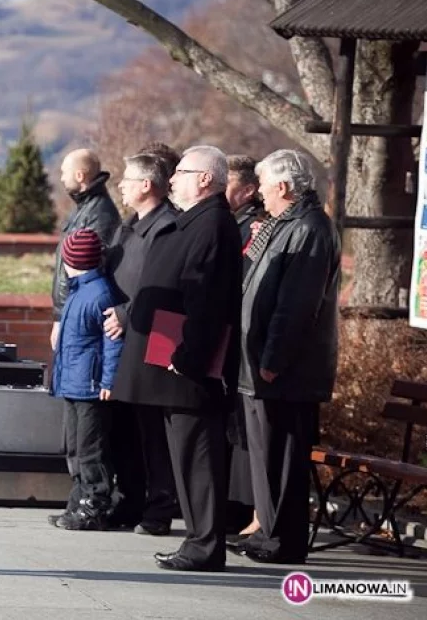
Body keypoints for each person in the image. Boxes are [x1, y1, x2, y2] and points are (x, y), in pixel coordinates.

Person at [113, 145, 242, 572]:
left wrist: (188, 355)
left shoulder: (213, 224)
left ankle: (204, 545)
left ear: (205, 179)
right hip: (174, 365)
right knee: (185, 457)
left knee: (198, 457)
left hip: (189, 368)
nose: (172, 179)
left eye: (182, 172)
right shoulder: (197, 221)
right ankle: (197, 542)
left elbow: (207, 299)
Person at [233, 149, 340, 565]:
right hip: (260, 363)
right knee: (266, 455)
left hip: (286, 370)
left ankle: (284, 540)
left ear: (282, 186)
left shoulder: (310, 228)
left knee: (282, 457)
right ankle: (268, 533)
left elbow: (297, 304)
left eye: (263, 185)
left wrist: (274, 358)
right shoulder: (284, 223)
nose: (259, 192)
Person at [103, 153, 179, 536]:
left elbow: (164, 284)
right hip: (119, 340)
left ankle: (158, 509)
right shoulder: (129, 225)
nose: (120, 185)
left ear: (147, 185)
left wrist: (126, 313)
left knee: (153, 432)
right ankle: (130, 501)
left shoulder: (167, 227)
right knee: (124, 428)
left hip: (149, 339)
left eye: (127, 179)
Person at [47, 148, 120, 528]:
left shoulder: (95, 292)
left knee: (90, 447)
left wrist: (106, 380)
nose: (60, 177)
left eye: (64, 171)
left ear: (80, 175)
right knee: (75, 443)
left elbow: (110, 340)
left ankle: (94, 504)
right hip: (75, 379)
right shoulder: (79, 293)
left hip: (88, 382)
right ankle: (79, 501)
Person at [225, 155, 264, 537]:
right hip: (233, 339)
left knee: (245, 434)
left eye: (229, 183)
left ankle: (248, 511)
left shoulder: (254, 227)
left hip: (246, 340)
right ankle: (235, 508)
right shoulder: (231, 222)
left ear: (249, 190)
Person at [226, 155, 265, 248]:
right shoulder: (222, 217)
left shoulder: (258, 226)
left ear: (248, 190)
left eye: (224, 184)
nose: (217, 190)